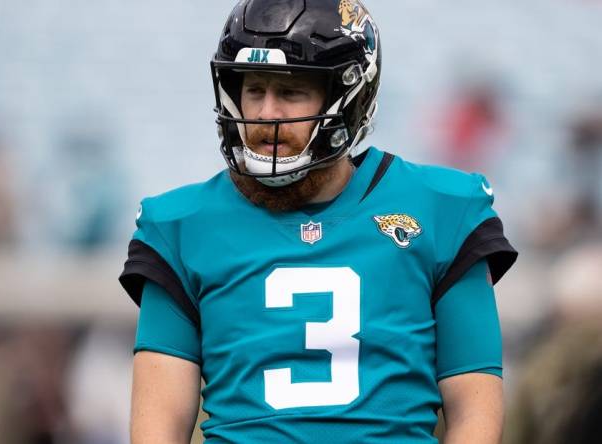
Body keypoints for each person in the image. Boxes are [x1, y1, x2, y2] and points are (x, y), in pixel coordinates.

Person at [119, 1, 518, 442]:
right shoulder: (180, 227)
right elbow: (157, 431)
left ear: (348, 98)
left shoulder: (442, 212)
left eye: (290, 92)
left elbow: (475, 413)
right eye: (255, 90)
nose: (267, 114)